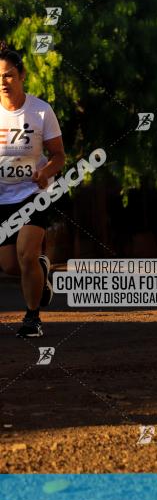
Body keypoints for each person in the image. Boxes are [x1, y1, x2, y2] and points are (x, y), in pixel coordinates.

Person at [0, 42, 65, 337]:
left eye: (9, 75)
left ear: (22, 75)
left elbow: (59, 156)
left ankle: (32, 318)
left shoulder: (40, 111)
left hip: (33, 194)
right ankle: (42, 268)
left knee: (26, 254)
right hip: (3, 197)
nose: (3, 82)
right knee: (11, 266)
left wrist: (45, 173)